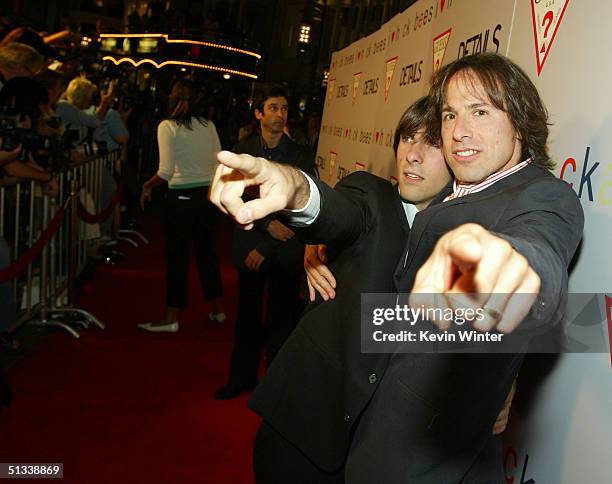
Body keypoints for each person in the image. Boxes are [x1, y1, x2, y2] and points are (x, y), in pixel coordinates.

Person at [209, 53, 584, 482]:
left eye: (479, 112)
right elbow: (350, 221)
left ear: (520, 119)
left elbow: (539, 263)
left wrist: (501, 276)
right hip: (347, 443)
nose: (458, 132)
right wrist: (298, 193)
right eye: (449, 115)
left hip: (426, 465)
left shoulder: (541, 197)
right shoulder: (437, 196)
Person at [213, 86, 314, 400]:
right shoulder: (241, 152)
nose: (279, 114)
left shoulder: (300, 155)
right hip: (249, 246)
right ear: (258, 113)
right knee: (247, 316)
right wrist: (264, 227)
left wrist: (268, 243)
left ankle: (274, 386)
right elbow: (231, 200)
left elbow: (302, 203)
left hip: (284, 251)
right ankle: (241, 378)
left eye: (283, 108)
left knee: (282, 319)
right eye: (272, 107)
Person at [138, 79, 225, 332]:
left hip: (181, 200)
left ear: (172, 98)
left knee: (178, 258)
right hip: (207, 199)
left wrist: (146, 186)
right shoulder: (208, 125)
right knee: (208, 254)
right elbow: (220, 162)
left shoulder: (167, 126)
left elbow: (164, 172)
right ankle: (219, 310)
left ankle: (171, 317)